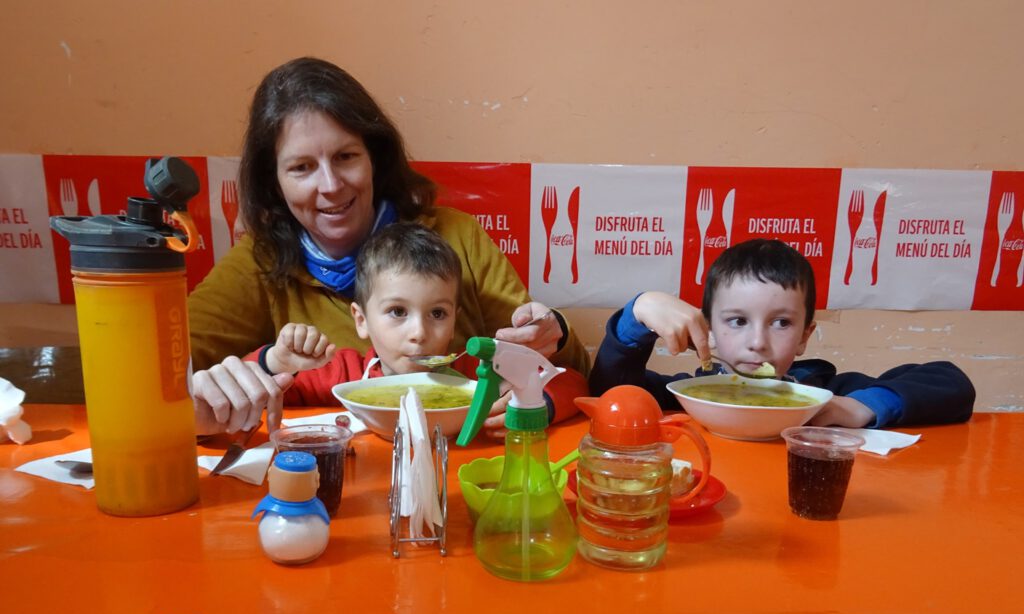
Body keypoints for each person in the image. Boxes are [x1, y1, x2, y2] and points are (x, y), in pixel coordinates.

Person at [189, 56, 589, 435]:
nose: (330, 186)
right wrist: (254, 371)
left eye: (346, 157)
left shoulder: (457, 238)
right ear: (274, 181)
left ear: (374, 159)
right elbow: (163, 374)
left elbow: (560, 371)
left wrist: (554, 335)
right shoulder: (261, 265)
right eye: (302, 167)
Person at [589, 238, 975, 428]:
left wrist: (857, 407)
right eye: (737, 321)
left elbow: (951, 384)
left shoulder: (821, 392)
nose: (758, 342)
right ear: (708, 329)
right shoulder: (687, 398)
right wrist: (637, 314)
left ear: (806, 336)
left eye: (781, 323)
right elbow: (608, 394)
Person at [245, 223, 587, 436]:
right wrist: (277, 360)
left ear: (455, 317)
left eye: (437, 313)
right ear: (361, 319)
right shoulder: (342, 372)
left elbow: (569, 381)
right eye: (397, 311)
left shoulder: (477, 374)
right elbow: (254, 390)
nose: (419, 333)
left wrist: (536, 401)